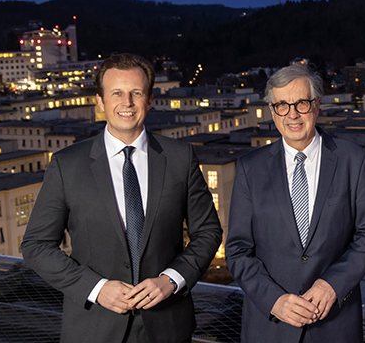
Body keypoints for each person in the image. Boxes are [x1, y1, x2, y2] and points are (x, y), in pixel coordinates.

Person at [21, 53, 222, 343]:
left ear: (149, 100)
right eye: (116, 93)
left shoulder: (180, 158)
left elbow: (208, 232)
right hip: (94, 327)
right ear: (100, 101)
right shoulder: (67, 165)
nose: (126, 103)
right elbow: (36, 245)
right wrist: (96, 288)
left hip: (167, 325)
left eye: (136, 93)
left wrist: (171, 279)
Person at [226, 64, 365, 343]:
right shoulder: (250, 168)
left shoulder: (353, 160)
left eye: (301, 103)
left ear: (317, 104)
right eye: (282, 106)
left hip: (335, 325)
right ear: (272, 111)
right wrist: (274, 300)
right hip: (270, 329)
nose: (292, 114)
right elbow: (238, 250)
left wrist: (333, 285)